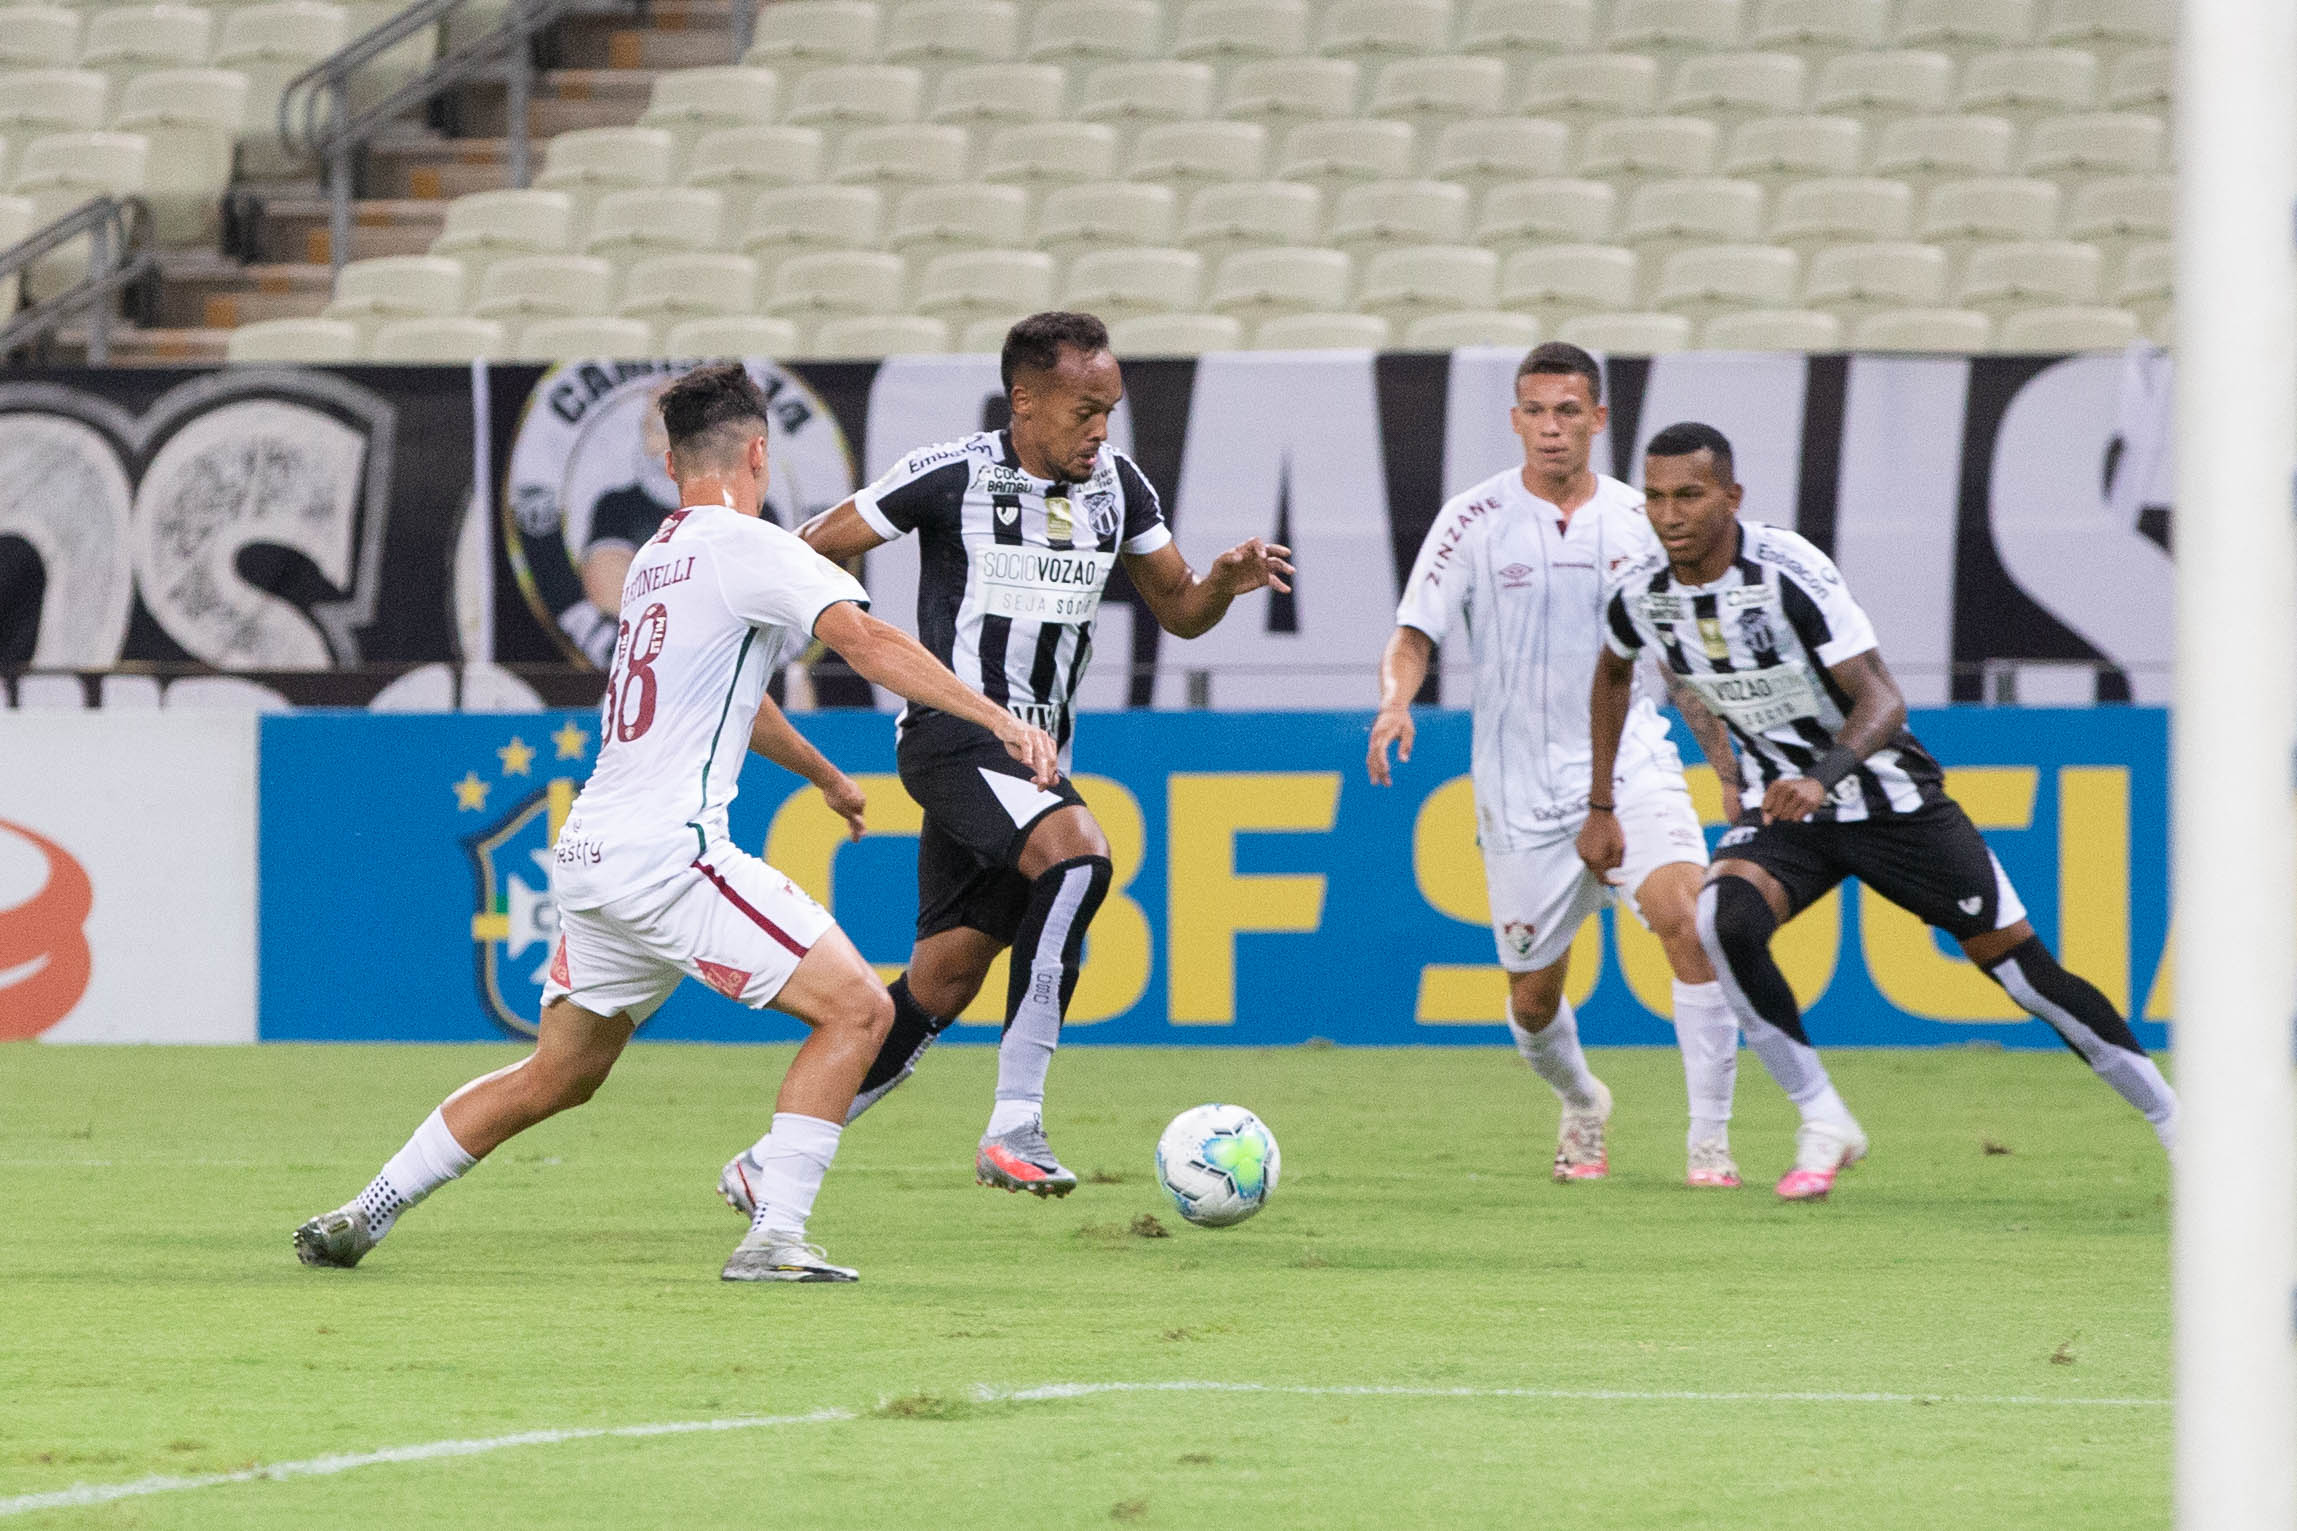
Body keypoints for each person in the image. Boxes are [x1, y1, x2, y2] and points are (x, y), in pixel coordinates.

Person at [292, 364, 1058, 1282]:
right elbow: (869, 641)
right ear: (759, 453)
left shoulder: (657, 560)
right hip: (669, 856)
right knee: (856, 1007)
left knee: (558, 1076)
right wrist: (999, 718)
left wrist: (821, 774)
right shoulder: (753, 547)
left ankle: (365, 1209)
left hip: (589, 853)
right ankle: (774, 1235)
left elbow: (732, 700)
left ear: (669, 464)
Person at [1581, 421, 2178, 1201]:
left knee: (2025, 977)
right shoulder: (1642, 594)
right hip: (1784, 813)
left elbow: (1883, 699)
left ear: (1730, 497)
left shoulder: (1787, 573)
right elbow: (1623, 676)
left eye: (1688, 495)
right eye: (1655, 497)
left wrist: (1823, 775)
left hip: (1887, 801)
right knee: (1720, 919)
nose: (1668, 514)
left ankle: (2178, 1126)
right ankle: (1823, 1119)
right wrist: (1638, 792)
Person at [782, 310, 1292, 1199]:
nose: (1100, 429)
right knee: (1080, 856)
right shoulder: (951, 475)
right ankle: (1014, 1122)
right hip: (951, 738)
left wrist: (1220, 583)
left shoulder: (1118, 487)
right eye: (1083, 410)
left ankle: (770, 1164)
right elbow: (809, 550)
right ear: (1025, 400)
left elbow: (1176, 605)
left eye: (1110, 410)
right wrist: (808, 628)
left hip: (1034, 756)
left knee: (941, 980)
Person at [1370, 342, 1745, 1188]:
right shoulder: (1471, 520)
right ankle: (1581, 1100)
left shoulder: (1638, 522)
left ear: (1597, 419)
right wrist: (1396, 699)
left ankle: (1709, 1143)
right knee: (1532, 1002)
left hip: (1630, 766)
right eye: (1534, 411)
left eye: (1567, 411)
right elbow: (1414, 629)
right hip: (1515, 792)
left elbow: (1680, 659)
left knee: (1691, 921)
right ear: (1514, 420)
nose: (1550, 428)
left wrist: (1721, 757)